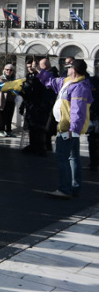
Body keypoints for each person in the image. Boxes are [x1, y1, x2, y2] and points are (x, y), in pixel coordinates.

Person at [36, 59, 93, 199]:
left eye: (68, 67)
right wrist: (39, 70)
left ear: (74, 70)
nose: (66, 69)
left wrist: (73, 130)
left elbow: (77, 111)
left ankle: (65, 189)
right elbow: (52, 81)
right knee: (73, 157)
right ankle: (73, 187)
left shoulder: (79, 86)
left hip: (67, 129)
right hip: (68, 127)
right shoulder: (69, 82)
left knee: (63, 157)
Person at [0, 64, 17, 137]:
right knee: (2, 116)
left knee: (9, 116)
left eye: (11, 70)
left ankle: (9, 130)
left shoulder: (13, 80)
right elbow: (3, 87)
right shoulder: (1, 78)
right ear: (4, 70)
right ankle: (1, 130)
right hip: (2, 100)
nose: (9, 71)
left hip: (11, 100)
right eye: (7, 69)